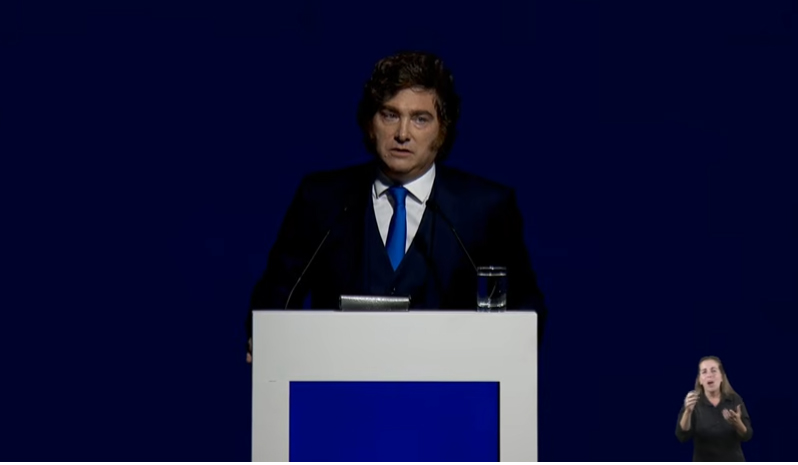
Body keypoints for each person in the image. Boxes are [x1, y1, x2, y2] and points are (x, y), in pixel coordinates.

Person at [246, 50, 548, 361]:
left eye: (420, 119)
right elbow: (277, 294)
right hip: (340, 380)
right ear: (370, 123)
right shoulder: (323, 199)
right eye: (390, 115)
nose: (402, 134)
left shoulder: (484, 209)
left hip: (450, 383)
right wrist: (265, 340)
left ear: (442, 130)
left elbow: (526, 309)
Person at [676, 355, 753, 461]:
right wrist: (688, 412)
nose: (709, 375)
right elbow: (682, 436)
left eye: (713, 371)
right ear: (700, 380)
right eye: (704, 372)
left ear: (722, 377)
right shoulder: (693, 401)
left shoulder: (734, 399)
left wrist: (737, 423)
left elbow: (747, 435)